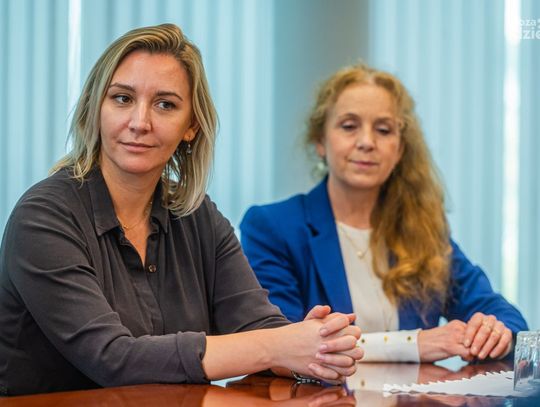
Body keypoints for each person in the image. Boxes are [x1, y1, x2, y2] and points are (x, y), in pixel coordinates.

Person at [0, 24, 363, 396]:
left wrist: (319, 347)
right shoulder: (42, 217)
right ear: (95, 109)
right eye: (122, 98)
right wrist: (279, 345)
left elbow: (257, 325)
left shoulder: (196, 215)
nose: (139, 122)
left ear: (191, 126)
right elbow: (113, 358)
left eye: (165, 104)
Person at [240, 63, 528, 364]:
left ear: (400, 149)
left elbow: (506, 317)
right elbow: (279, 343)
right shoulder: (272, 227)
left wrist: (494, 332)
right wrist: (413, 344)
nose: (367, 142)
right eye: (349, 126)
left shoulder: (422, 228)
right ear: (320, 141)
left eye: (383, 130)